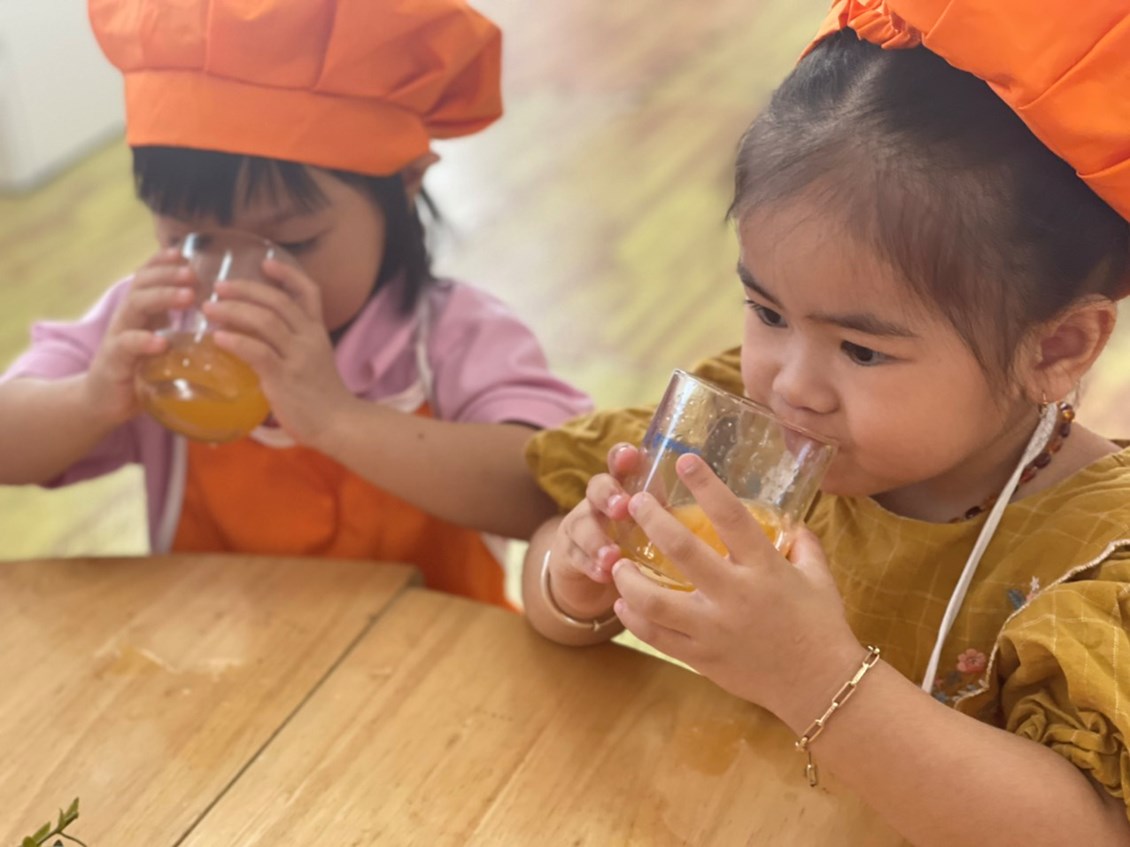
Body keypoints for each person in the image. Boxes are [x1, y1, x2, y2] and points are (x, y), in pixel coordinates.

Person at [521, 1, 1130, 842]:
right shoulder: (742, 437)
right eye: (768, 312)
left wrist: (813, 676)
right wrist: (577, 576)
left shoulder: (1097, 559)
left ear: (1056, 346)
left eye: (862, 350)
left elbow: (1088, 830)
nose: (792, 385)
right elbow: (549, 578)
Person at [0, 0, 591, 607]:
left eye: (291, 243)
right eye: (184, 238)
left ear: (406, 183)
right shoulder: (157, 324)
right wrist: (89, 400)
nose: (233, 284)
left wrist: (337, 420)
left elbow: (548, 493)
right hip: (214, 649)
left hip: (432, 661)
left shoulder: (452, 338)